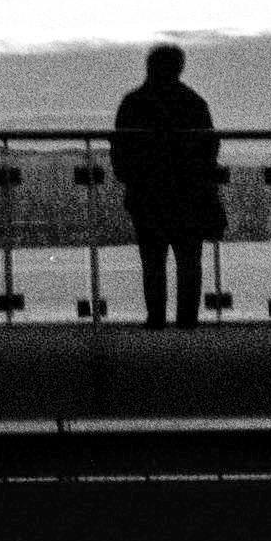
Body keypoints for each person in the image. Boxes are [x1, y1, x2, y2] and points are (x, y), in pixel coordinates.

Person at [109, 41, 222, 328]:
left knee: (153, 261)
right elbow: (209, 147)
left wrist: (132, 177)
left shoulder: (133, 102)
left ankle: (156, 318)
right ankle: (187, 319)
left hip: (146, 193)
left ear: (149, 67)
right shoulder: (194, 102)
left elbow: (120, 148)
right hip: (188, 194)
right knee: (189, 261)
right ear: (179, 68)